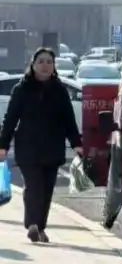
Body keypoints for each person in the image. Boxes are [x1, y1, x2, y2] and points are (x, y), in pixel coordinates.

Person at [0, 48, 83, 243]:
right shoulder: (21, 89)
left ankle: (41, 227)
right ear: (33, 64)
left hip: (52, 148)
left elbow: (69, 120)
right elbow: (10, 119)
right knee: (34, 186)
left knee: (47, 190)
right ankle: (32, 225)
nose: (45, 65)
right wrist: (2, 145)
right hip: (27, 147)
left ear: (53, 67)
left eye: (49, 62)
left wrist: (77, 144)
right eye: (41, 61)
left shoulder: (60, 90)